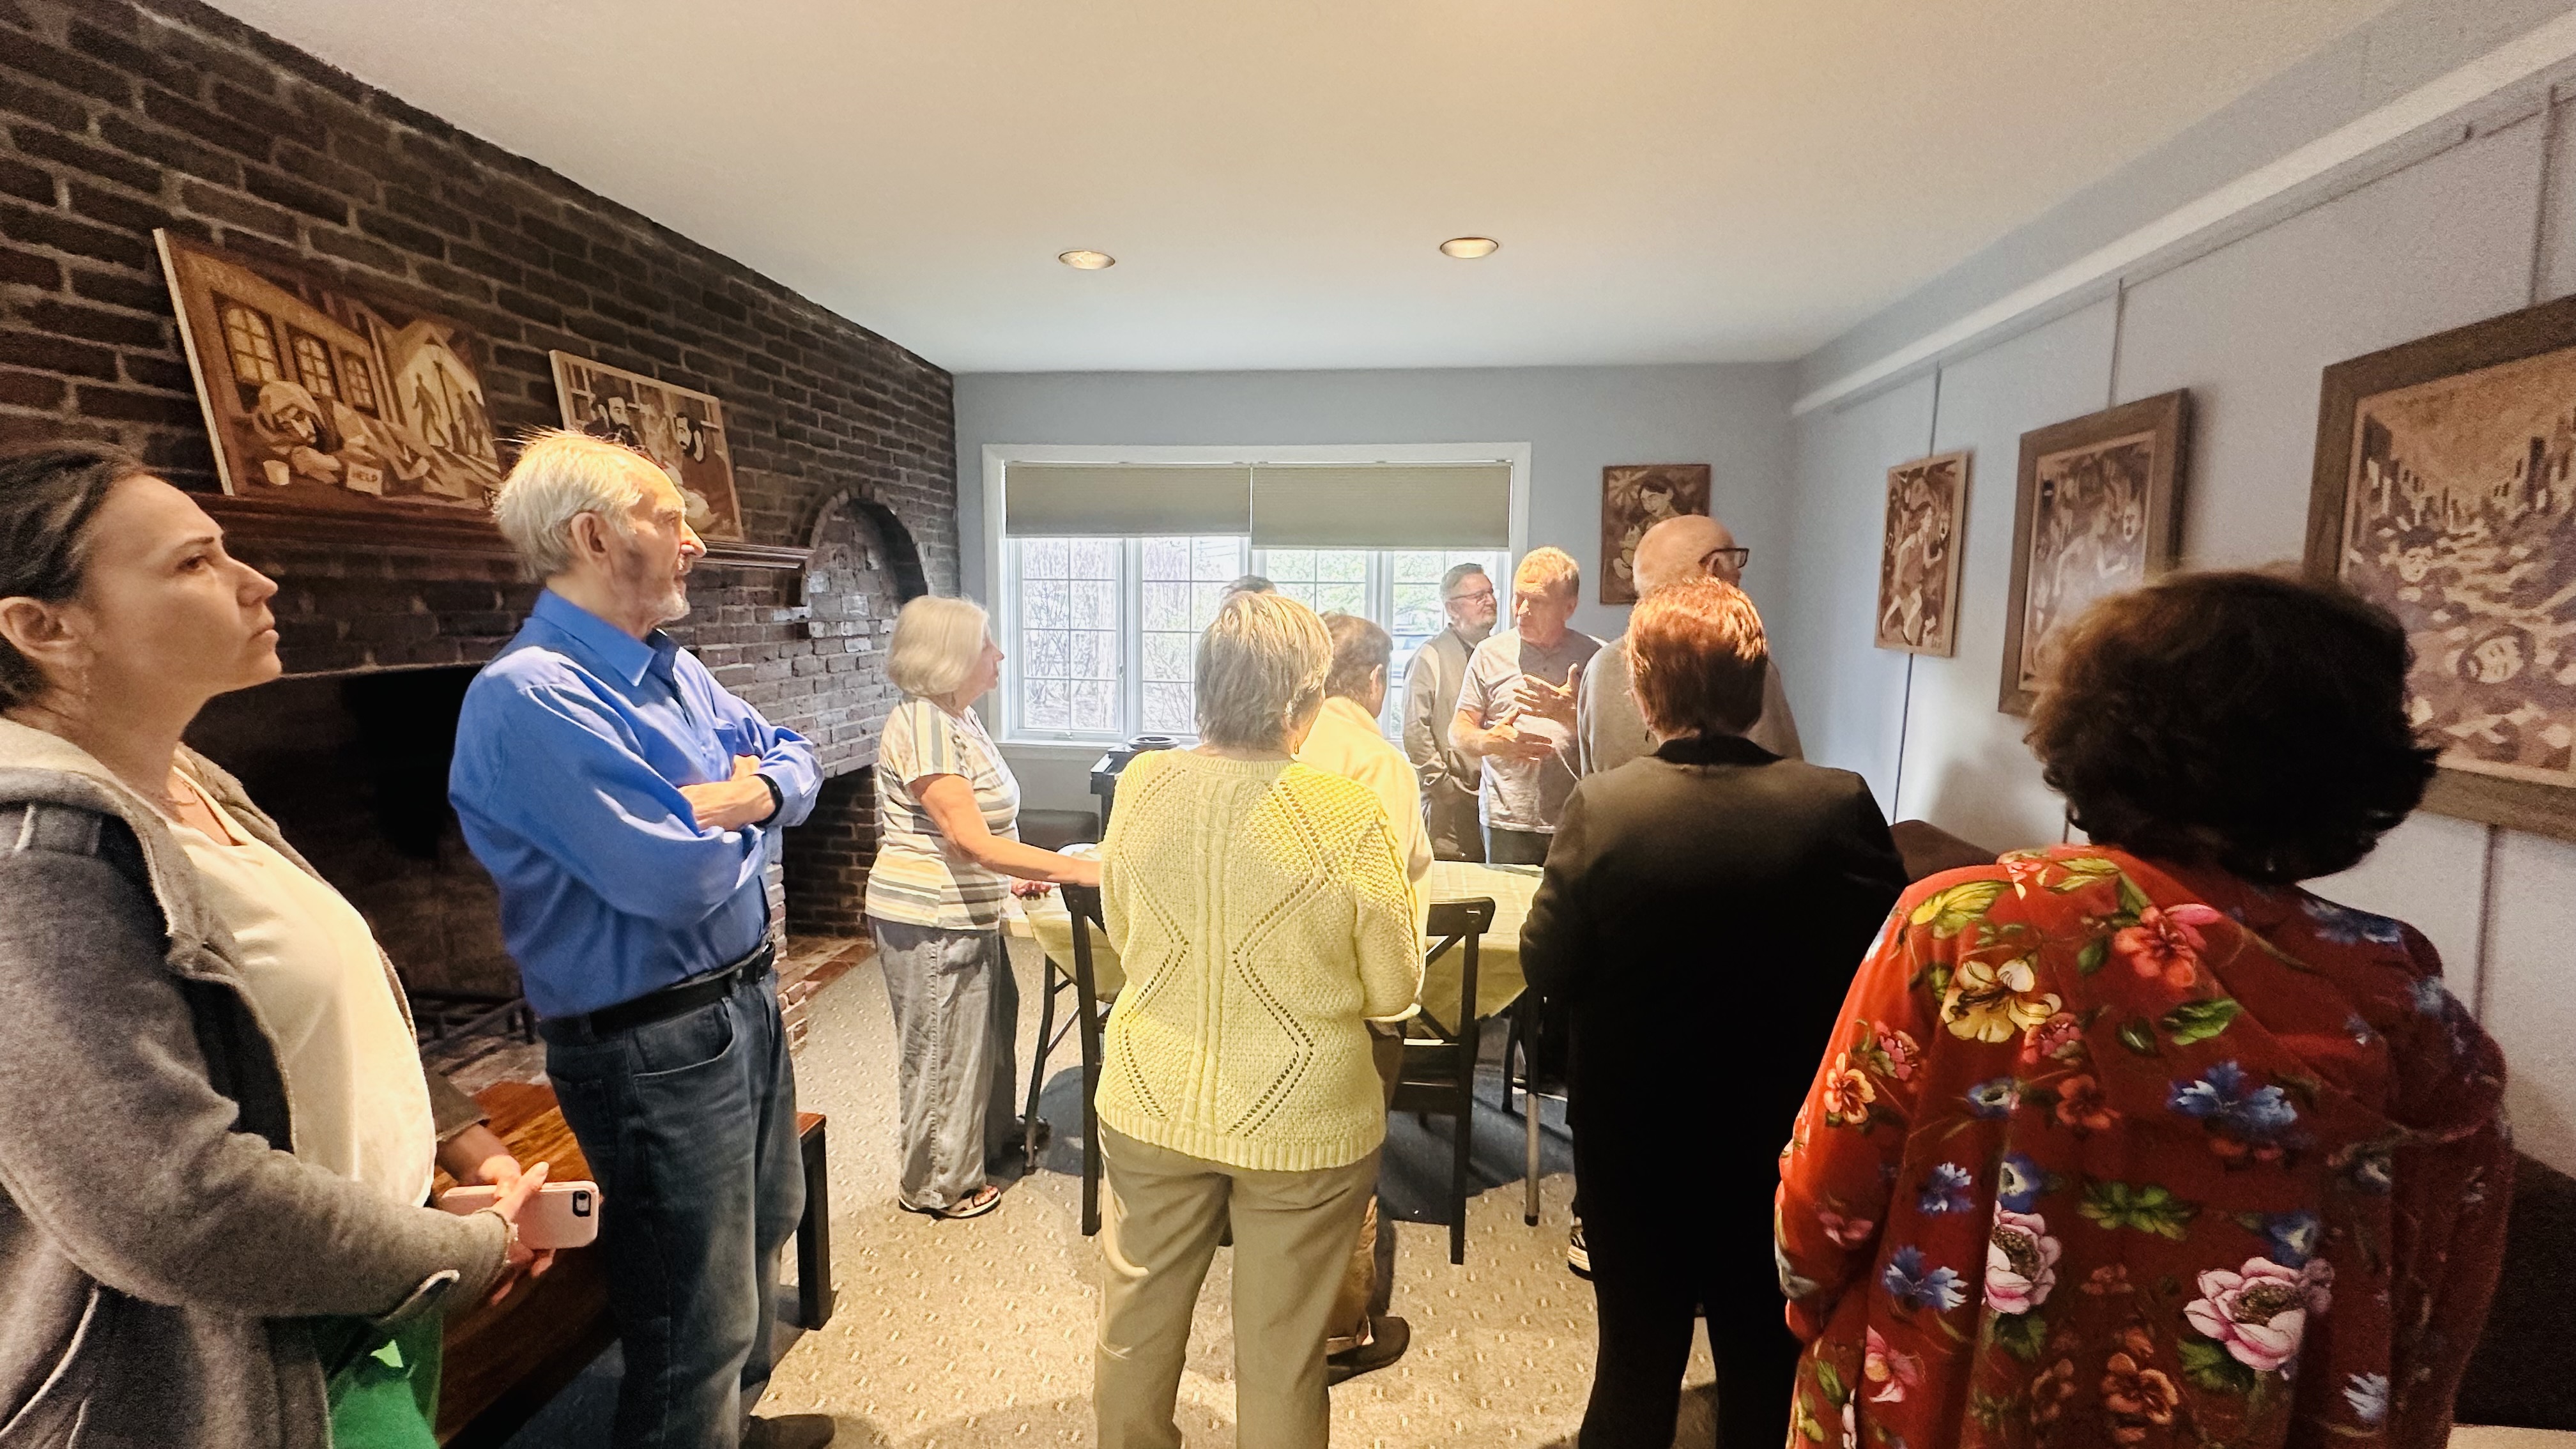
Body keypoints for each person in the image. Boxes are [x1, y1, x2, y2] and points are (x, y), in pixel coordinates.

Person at [1775, 571, 2511, 1449]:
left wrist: (1816, 1314)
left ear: (2097, 736)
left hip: (1952, 1406)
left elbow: (1820, 1214)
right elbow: (2441, 1313)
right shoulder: (2415, 1012)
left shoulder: (1967, 933)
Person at [0, 444, 548, 1449]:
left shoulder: (191, 779)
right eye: (195, 563)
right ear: (46, 628)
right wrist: (465, 1251)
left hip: (361, 1299)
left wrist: (452, 1128)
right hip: (228, 1379)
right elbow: (176, 1203)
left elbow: (320, 995)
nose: (260, 581)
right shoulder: (32, 856)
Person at [448, 431, 832, 1449]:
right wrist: (756, 820)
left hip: (739, 999)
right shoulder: (530, 697)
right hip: (650, 1040)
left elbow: (801, 760)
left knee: (764, 1225)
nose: (693, 542)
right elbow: (677, 879)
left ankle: (728, 1432)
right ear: (591, 536)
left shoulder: (674, 672)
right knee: (688, 1310)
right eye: (670, 518)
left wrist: (747, 794)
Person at [1521, 578, 1906, 1449]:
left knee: (1636, 1355)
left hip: (1634, 1132)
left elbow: (1546, 963)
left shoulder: (1604, 807)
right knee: (1766, 1353)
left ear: (1644, 690)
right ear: (1756, 685)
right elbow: (1888, 963)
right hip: (1783, 1132)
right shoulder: (1834, 804)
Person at [1093, 592, 1422, 1449]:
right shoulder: (1348, 813)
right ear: (1304, 703)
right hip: (1304, 1122)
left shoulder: (1141, 785)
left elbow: (1126, 935)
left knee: (1135, 1326)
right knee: (1280, 1357)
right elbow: (1393, 988)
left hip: (1150, 1097)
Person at [868, 595, 1100, 1220]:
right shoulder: (923, 724)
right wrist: (1077, 868)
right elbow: (967, 840)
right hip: (930, 914)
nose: (998, 654)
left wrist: (1010, 880)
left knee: (991, 1026)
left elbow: (987, 826)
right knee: (945, 1044)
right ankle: (936, 1184)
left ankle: (991, 1139)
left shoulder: (957, 719)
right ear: (947, 659)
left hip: (967, 906)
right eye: (985, 646)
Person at [1296, 612, 1433, 1383]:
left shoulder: (1281, 744)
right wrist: (1390, 1006)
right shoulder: (1377, 761)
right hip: (1356, 997)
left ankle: (1285, 1308)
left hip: (1288, 989)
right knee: (1348, 1166)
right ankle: (1342, 1331)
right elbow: (1383, 898)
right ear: (1376, 682)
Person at [1575, 513, 1801, 775]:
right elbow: (1787, 782)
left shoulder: (1599, 667)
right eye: (1735, 559)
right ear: (1714, 568)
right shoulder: (1742, 661)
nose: (1739, 573)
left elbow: (1591, 786)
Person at [1449, 546, 1600, 864]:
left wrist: (1569, 714)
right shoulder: (1488, 654)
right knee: (1508, 911)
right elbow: (1459, 730)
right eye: (1518, 598)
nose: (1522, 611)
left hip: (1575, 819)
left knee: (1568, 913)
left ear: (1569, 607)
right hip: (1506, 820)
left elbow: (1614, 747)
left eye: (1539, 602)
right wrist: (1489, 741)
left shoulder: (1597, 658)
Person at [1402, 562, 1498, 861]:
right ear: (1452, 609)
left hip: (1494, 804)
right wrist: (1443, 786)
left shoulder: (1499, 655)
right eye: (1477, 596)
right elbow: (1415, 731)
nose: (1489, 600)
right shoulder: (1430, 657)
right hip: (1450, 809)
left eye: (1490, 592)